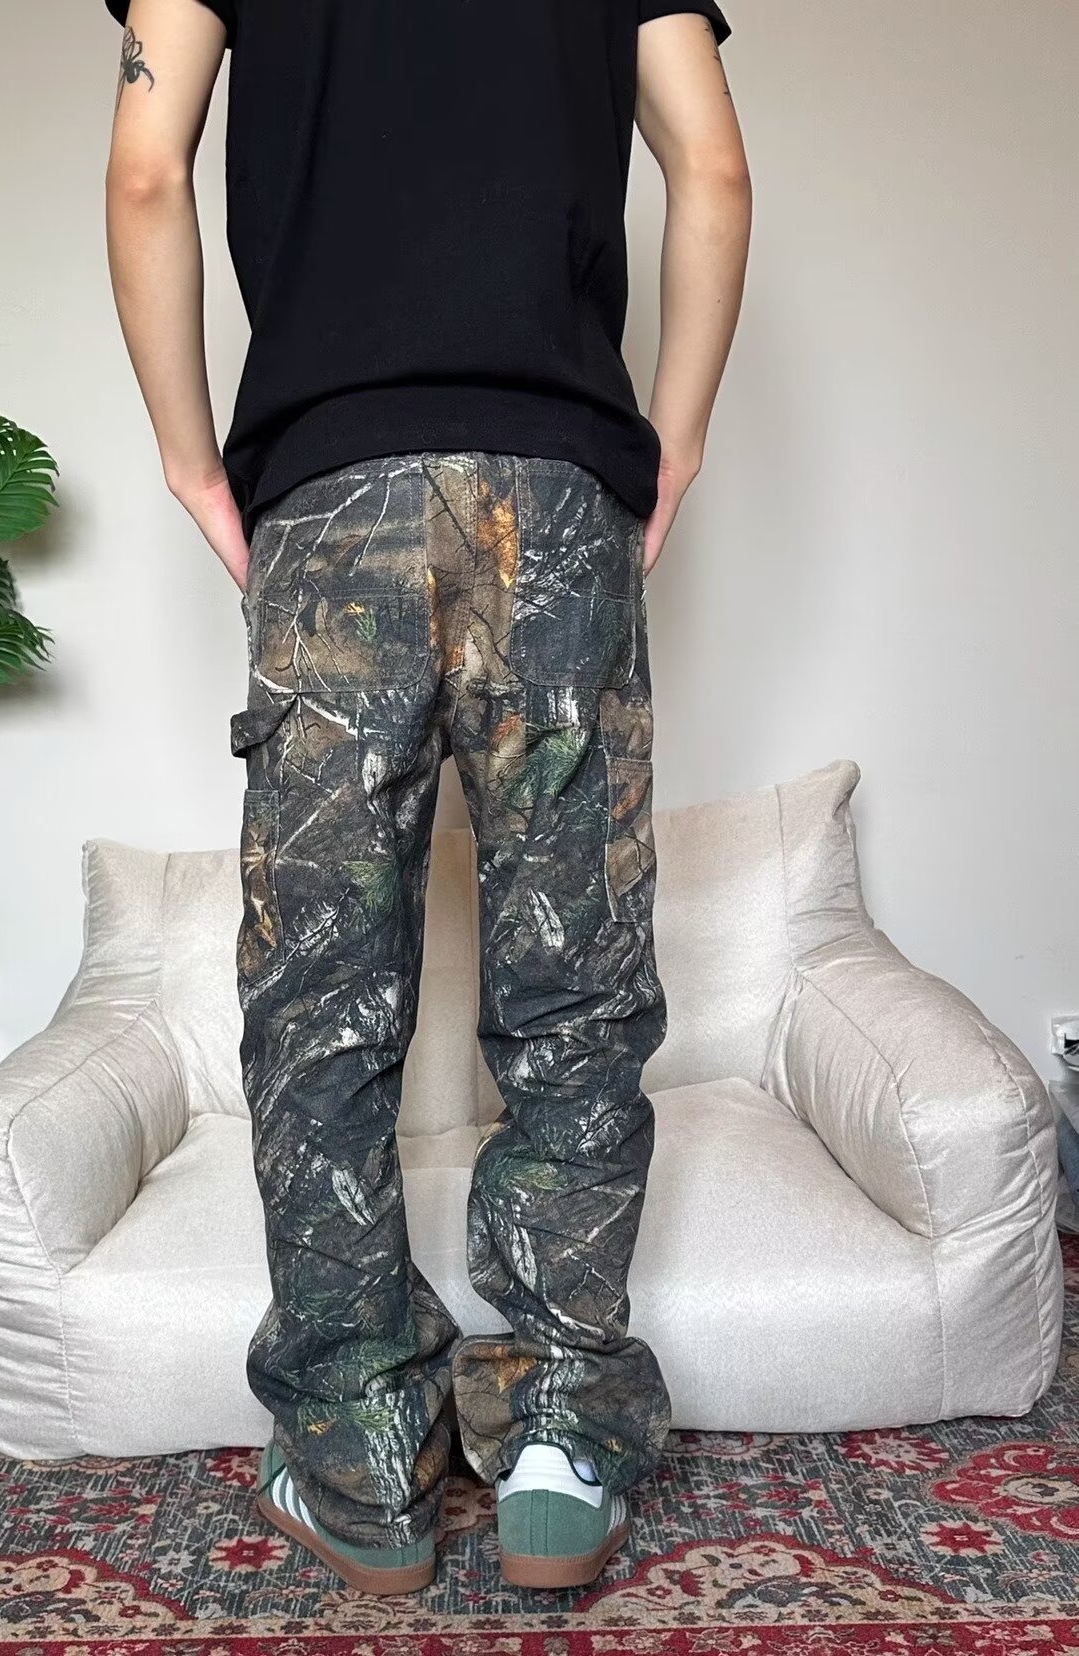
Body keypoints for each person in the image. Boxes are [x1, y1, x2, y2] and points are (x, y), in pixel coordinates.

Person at [103, 0, 751, 1597]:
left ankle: (361, 1457)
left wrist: (194, 463)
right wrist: (667, 447)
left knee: (320, 1002)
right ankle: (560, 1440)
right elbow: (714, 171)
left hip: (330, 492)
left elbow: (144, 171)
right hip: (555, 486)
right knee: (575, 990)